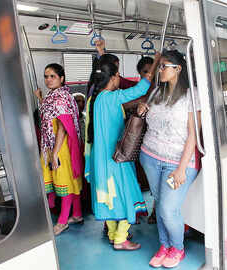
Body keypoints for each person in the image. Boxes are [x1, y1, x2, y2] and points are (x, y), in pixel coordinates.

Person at [84, 53, 161, 250]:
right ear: (112, 78)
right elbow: (142, 87)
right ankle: (120, 239)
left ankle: (111, 234)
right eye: (118, 75)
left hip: (100, 160)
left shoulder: (97, 99)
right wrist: (156, 62)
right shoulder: (113, 97)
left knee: (108, 197)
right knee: (129, 193)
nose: (119, 78)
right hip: (116, 159)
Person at [138, 50, 201, 268]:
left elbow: (193, 134)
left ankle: (178, 248)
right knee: (160, 204)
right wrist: (143, 107)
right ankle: (164, 246)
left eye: (165, 66)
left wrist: (182, 169)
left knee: (167, 209)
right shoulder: (157, 92)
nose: (161, 70)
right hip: (151, 158)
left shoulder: (192, 95)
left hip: (178, 162)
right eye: (161, 66)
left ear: (178, 69)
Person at [34, 63, 83, 236]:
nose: (48, 79)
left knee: (64, 181)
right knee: (70, 178)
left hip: (59, 146)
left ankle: (62, 222)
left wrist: (54, 153)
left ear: (61, 78)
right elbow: (50, 115)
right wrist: (40, 99)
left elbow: (62, 126)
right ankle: (76, 214)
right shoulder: (53, 96)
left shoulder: (60, 97)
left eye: (52, 76)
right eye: (46, 76)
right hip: (52, 145)